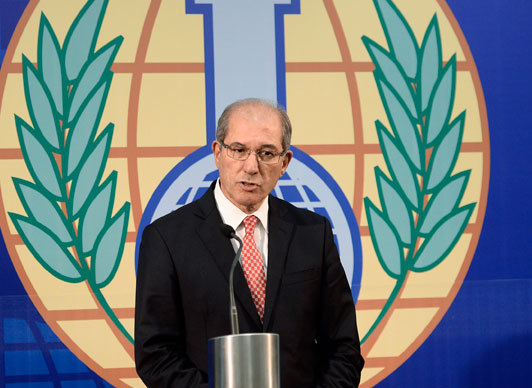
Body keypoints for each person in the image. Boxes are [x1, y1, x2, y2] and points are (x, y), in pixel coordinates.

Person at [135, 98, 364, 387]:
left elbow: (343, 347)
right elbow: (155, 354)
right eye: (239, 150)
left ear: (285, 163)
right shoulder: (167, 238)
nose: (252, 166)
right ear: (218, 153)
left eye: (267, 153)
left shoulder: (312, 233)